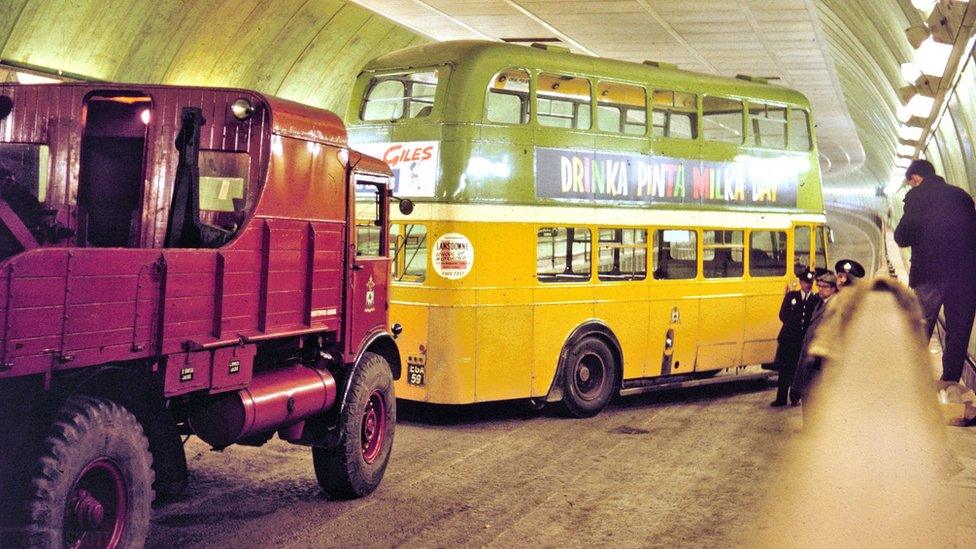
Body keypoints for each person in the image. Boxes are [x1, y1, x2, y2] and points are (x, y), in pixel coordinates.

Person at [894, 159, 976, 384]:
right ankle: (949, 383)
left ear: (916, 179)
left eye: (910, 184)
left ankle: (913, 384)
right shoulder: (963, 197)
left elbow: (901, 237)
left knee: (920, 328)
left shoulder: (917, 196)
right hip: (965, 278)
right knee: (958, 334)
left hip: (930, 275)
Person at [771, 267, 821, 406]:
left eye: (811, 282)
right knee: (785, 369)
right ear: (800, 282)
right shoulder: (791, 296)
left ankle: (795, 397)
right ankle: (781, 398)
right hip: (788, 339)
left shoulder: (815, 299)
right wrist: (793, 327)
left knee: (799, 371)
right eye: (806, 282)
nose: (808, 285)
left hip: (803, 341)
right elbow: (782, 315)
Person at [791, 271, 839, 404]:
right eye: (819, 286)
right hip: (809, 361)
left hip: (818, 364)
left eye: (825, 287)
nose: (821, 289)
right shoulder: (818, 302)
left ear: (833, 288)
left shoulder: (835, 306)